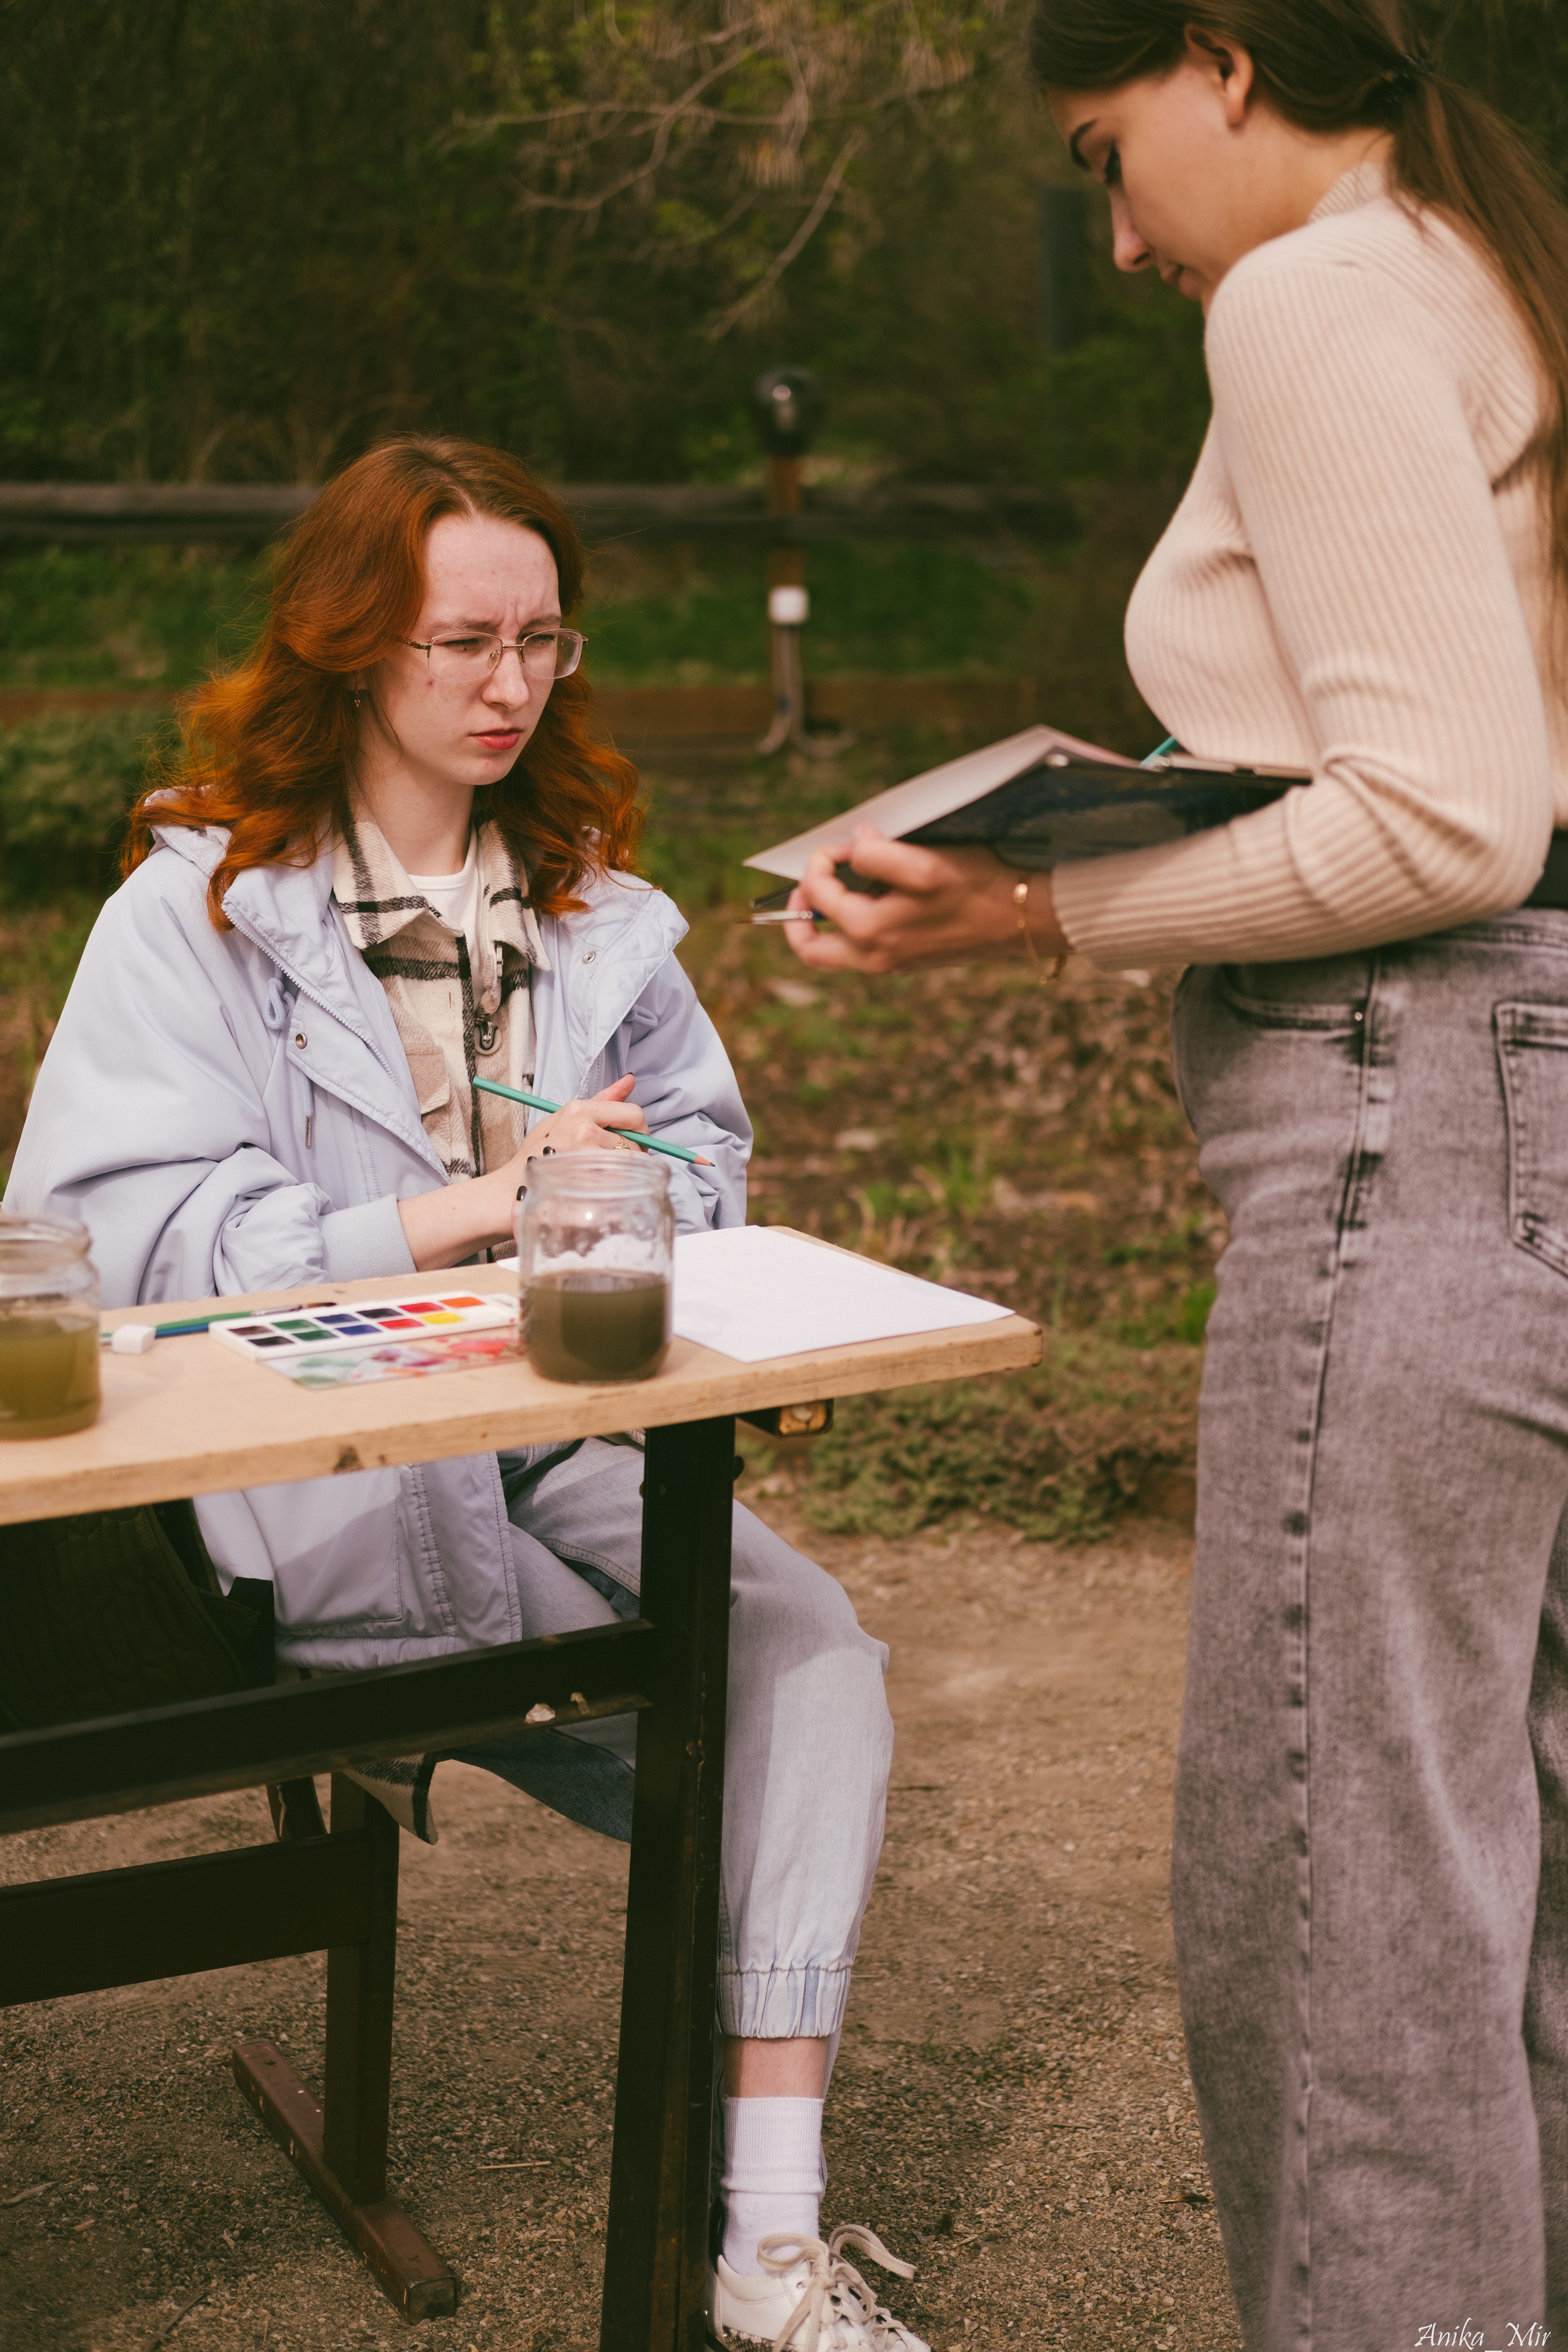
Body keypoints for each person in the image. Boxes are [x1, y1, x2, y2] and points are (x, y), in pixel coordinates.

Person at [782, 7, 1568, 2345]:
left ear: (1224, 63)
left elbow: (1445, 815)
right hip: (1532, 1097)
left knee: (1343, 1899)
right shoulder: (1488, 266)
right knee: (1508, 1886)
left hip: (1402, 1122)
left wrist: (1034, 902)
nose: (1116, 234)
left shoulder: (1318, 290)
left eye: (1109, 153)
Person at [3, 435, 926, 2352]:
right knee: (737, 1749)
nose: (513, 685)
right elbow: (124, 1244)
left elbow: (710, 1174)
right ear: (352, 649)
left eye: (545, 640)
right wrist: (462, 1210)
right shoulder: (196, 918)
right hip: (289, 1490)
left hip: (558, 1443)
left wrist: (621, 1196)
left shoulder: (603, 921)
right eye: (463, 643)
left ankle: (765, 2242)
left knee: (811, 1664)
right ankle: (709, 1857)